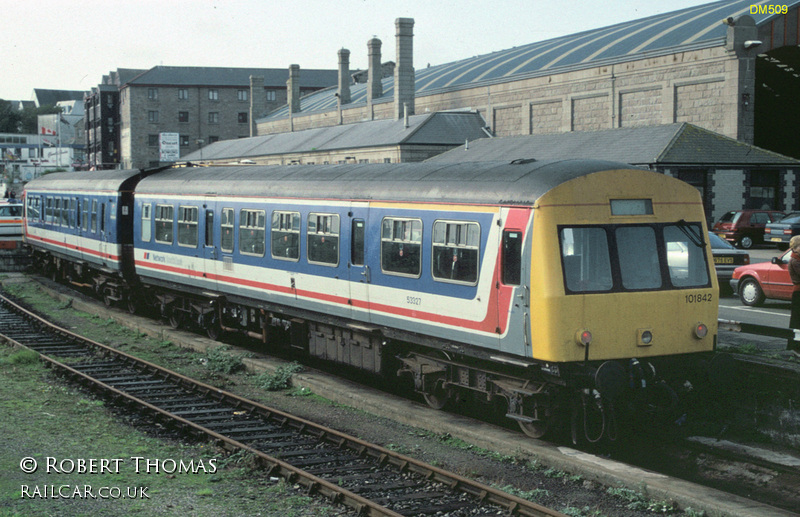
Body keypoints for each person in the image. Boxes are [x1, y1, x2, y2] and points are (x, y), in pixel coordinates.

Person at [788, 235, 800, 354]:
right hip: (798, 293)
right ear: (795, 248)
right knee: (797, 320)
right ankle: (794, 346)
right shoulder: (795, 261)